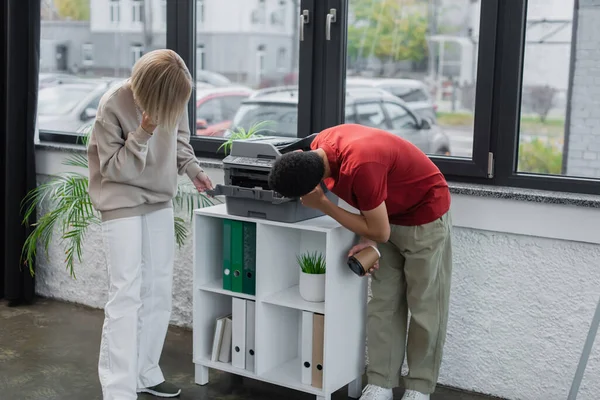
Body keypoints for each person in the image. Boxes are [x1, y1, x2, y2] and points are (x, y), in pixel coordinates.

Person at [267, 124, 452, 400]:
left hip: (424, 216)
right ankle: (381, 382)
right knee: (383, 304)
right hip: (386, 214)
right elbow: (370, 203)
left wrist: (323, 205)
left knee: (425, 307)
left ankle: (418, 387)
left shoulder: (360, 164)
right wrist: (370, 239)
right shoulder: (320, 147)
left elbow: (379, 225)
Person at [87, 49, 213, 399]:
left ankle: (145, 372)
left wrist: (193, 170)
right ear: (150, 89)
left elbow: (180, 142)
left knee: (158, 288)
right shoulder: (114, 104)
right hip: (120, 197)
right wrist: (143, 132)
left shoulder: (173, 96)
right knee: (126, 292)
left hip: (158, 196)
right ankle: (118, 389)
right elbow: (114, 169)